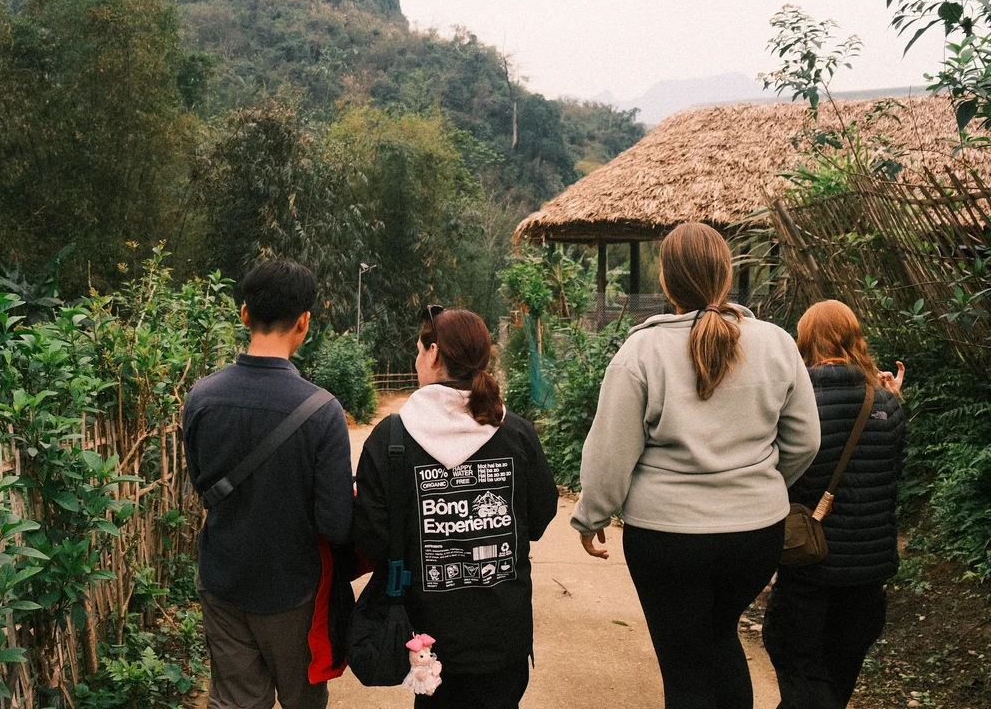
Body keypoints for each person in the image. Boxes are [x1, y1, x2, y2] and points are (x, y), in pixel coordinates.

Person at [572, 222, 822, 709]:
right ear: (726, 276)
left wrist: (592, 515)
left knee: (685, 663)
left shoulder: (641, 353)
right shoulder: (775, 344)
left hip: (667, 542)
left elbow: (610, 451)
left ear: (666, 282)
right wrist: (763, 486)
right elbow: (805, 441)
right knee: (720, 638)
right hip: (755, 538)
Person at [353, 307, 558, 709]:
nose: (416, 360)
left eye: (418, 350)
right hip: (504, 637)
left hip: (425, 642)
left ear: (433, 353)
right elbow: (540, 515)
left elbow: (371, 538)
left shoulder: (391, 438)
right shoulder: (514, 432)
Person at [181, 260, 353, 709]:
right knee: (302, 700)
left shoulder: (201, 398)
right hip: (292, 592)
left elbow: (201, 486)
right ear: (304, 322)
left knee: (234, 700)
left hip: (223, 580)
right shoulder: (324, 412)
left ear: (244, 315)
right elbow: (336, 524)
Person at [762, 300, 907, 709]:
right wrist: (890, 400)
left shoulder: (793, 402)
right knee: (835, 681)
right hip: (867, 576)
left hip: (808, 567)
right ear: (855, 337)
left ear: (804, 341)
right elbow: (894, 476)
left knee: (801, 672)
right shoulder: (887, 403)